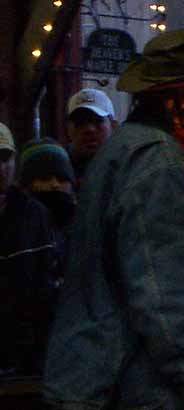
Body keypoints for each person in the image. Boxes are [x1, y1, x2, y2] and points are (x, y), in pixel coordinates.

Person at [43, 29, 184, 410]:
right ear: (178, 96)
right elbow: (164, 294)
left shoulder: (125, 149)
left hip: (95, 377)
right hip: (130, 386)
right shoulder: (159, 165)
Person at [0, 124, 61, 375]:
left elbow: (46, 288)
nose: (1, 169)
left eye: (5, 158)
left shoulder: (34, 214)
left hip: (27, 360)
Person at [18, 137, 77, 274]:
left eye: (62, 178)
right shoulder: (16, 230)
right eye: (45, 178)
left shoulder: (86, 226)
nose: (55, 184)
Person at [66, 88, 117, 191]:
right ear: (68, 129)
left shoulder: (128, 167)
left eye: (97, 121)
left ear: (113, 126)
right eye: (80, 122)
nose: (89, 129)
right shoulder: (59, 170)